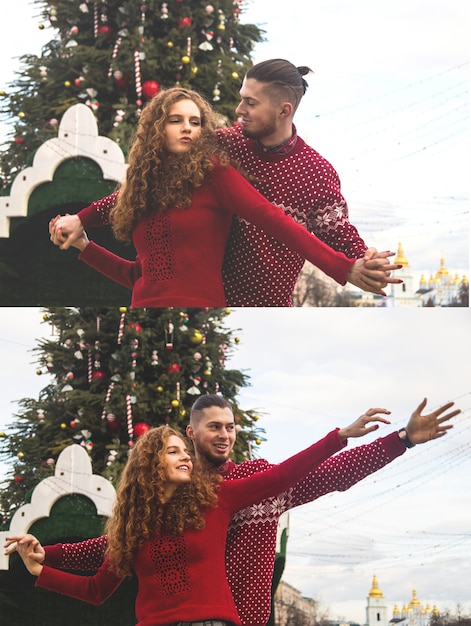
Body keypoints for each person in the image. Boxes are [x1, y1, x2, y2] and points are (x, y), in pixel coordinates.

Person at [5, 396, 459, 626]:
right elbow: (109, 552)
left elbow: (329, 475)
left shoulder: (249, 485)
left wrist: (399, 440)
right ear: (190, 432)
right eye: (214, 427)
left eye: (231, 427)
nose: (225, 435)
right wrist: (44, 554)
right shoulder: (155, 508)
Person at [49, 60, 403, 306]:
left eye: (250, 103)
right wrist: (82, 218)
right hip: (213, 293)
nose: (238, 110)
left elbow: (325, 230)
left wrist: (358, 262)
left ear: (283, 110)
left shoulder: (315, 172)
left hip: (264, 305)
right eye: (240, 99)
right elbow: (143, 189)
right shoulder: (220, 144)